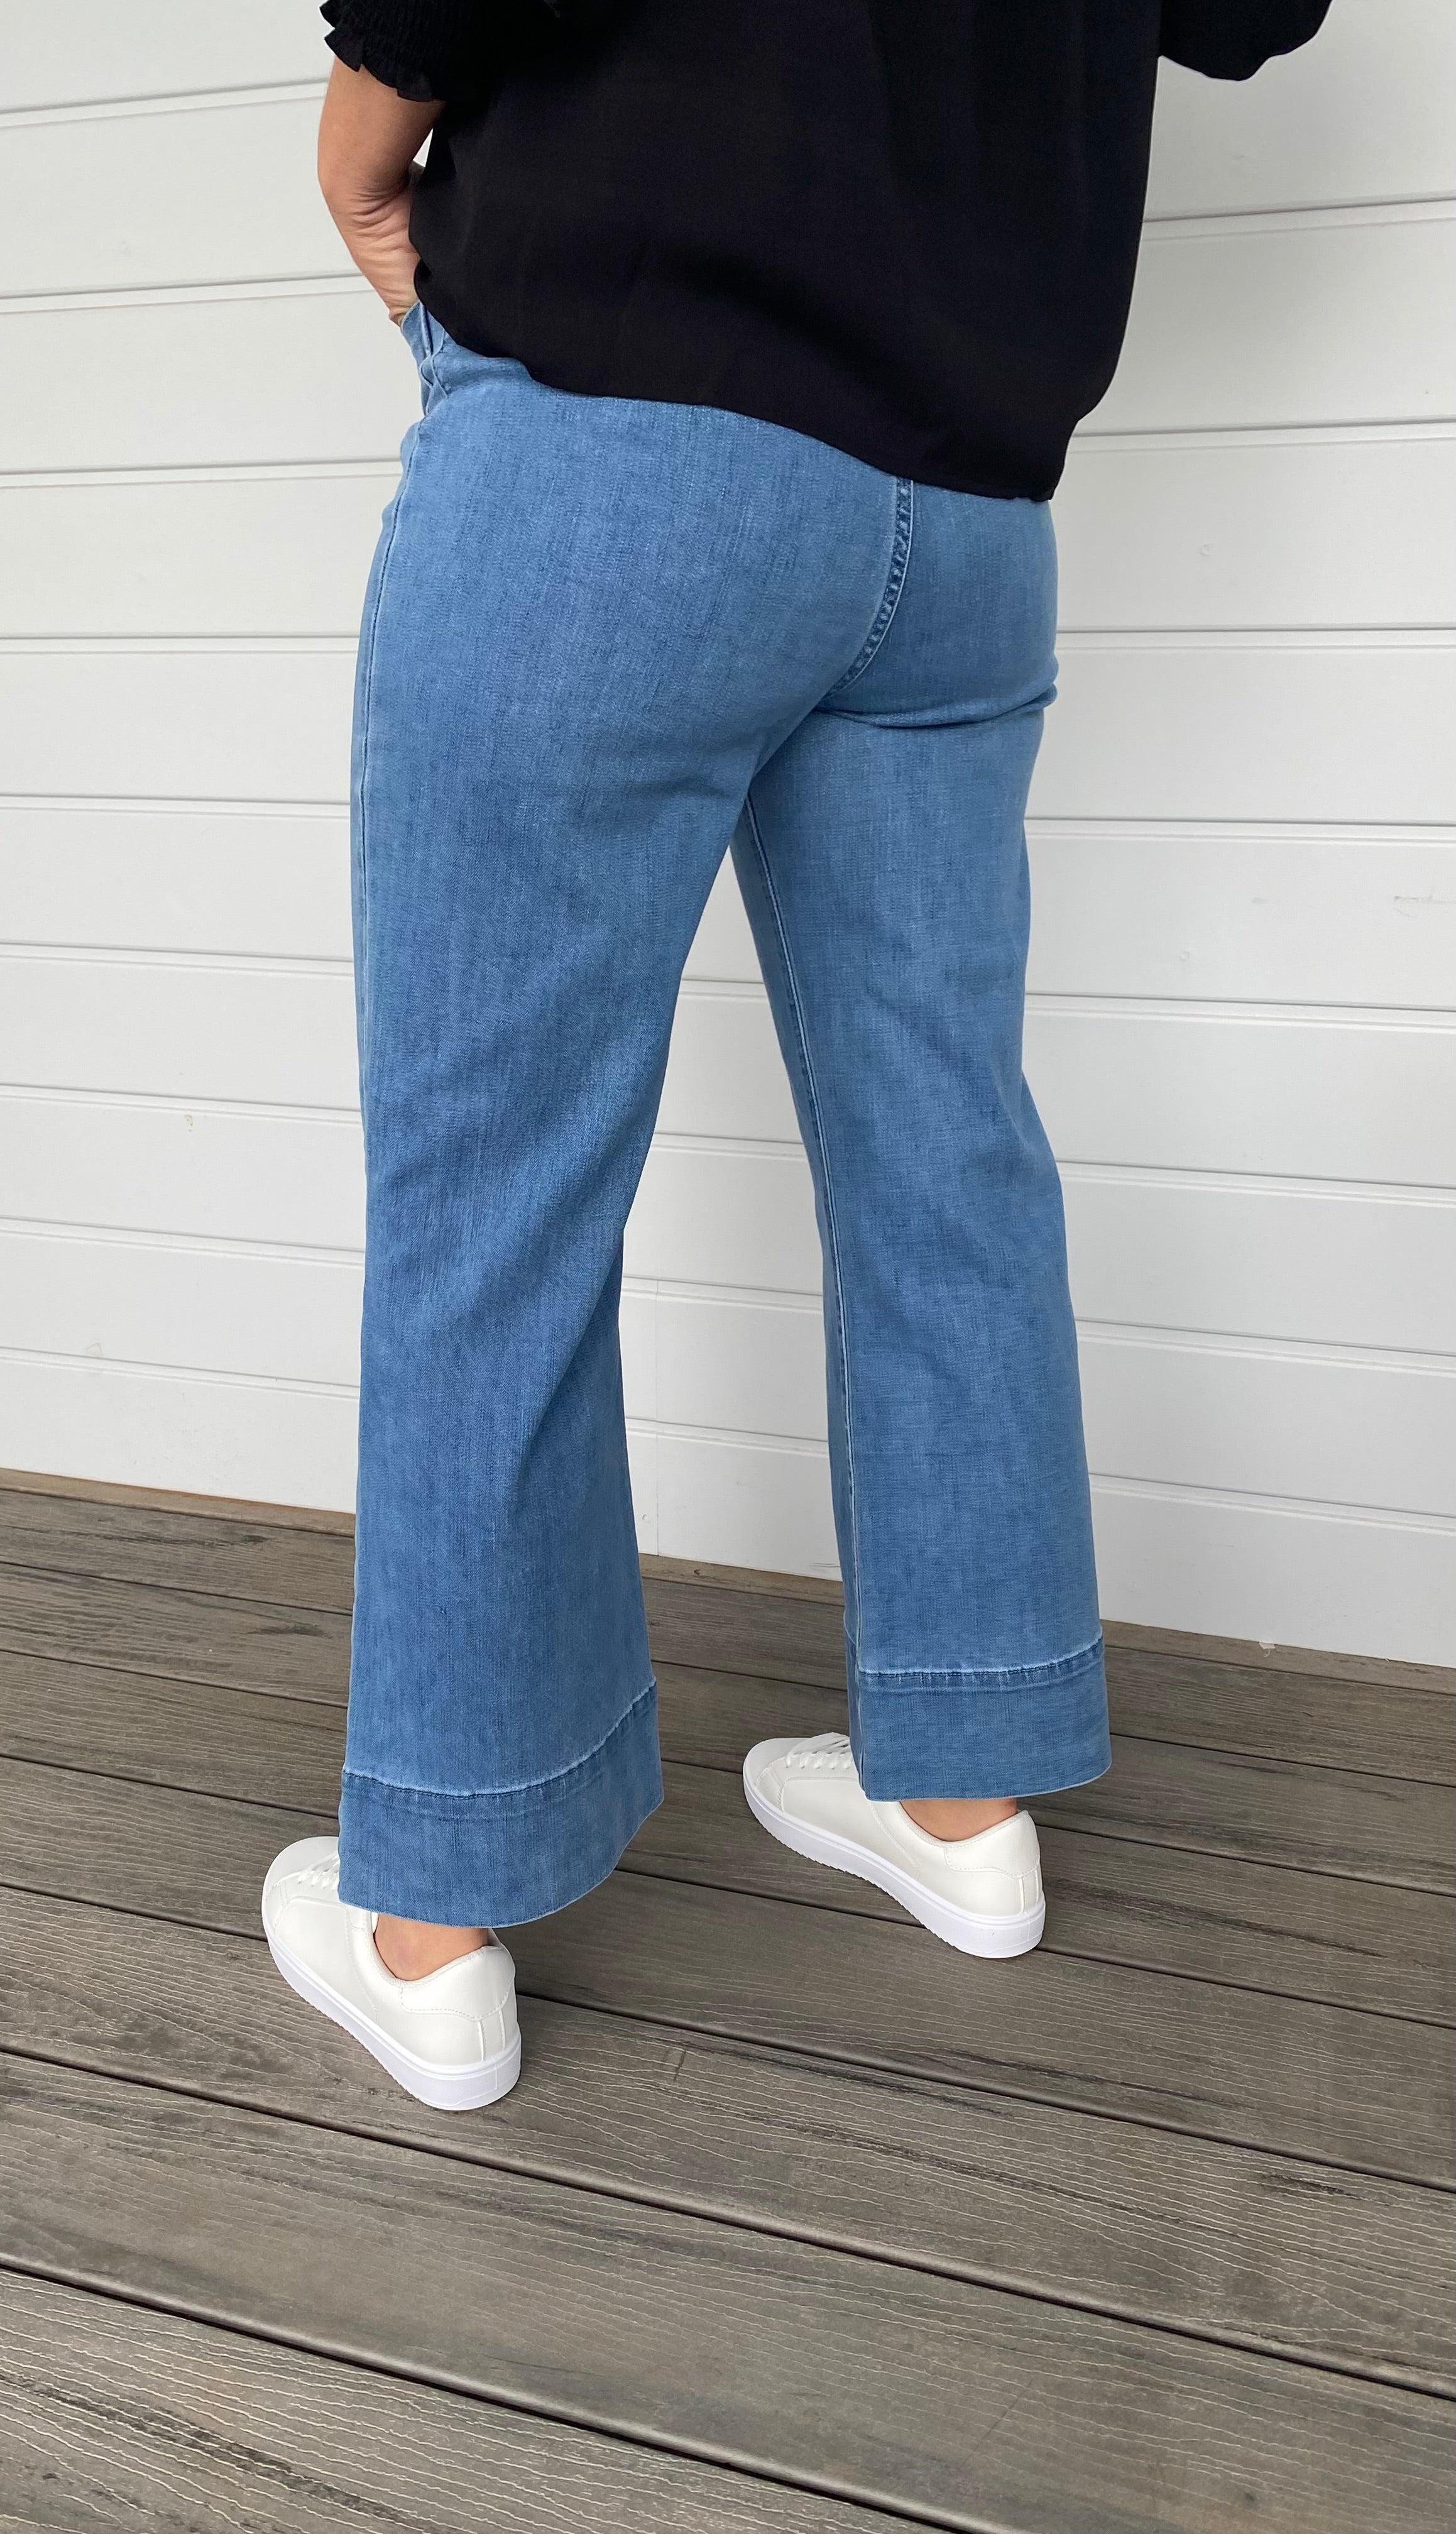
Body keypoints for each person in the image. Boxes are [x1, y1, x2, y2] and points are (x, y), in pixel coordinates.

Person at [263, 0, 1331, 2110]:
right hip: (961, 522)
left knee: (495, 1178)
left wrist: (358, 150)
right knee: (943, 1138)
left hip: (626, 442)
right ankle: (964, 1800)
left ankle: (436, 1926)